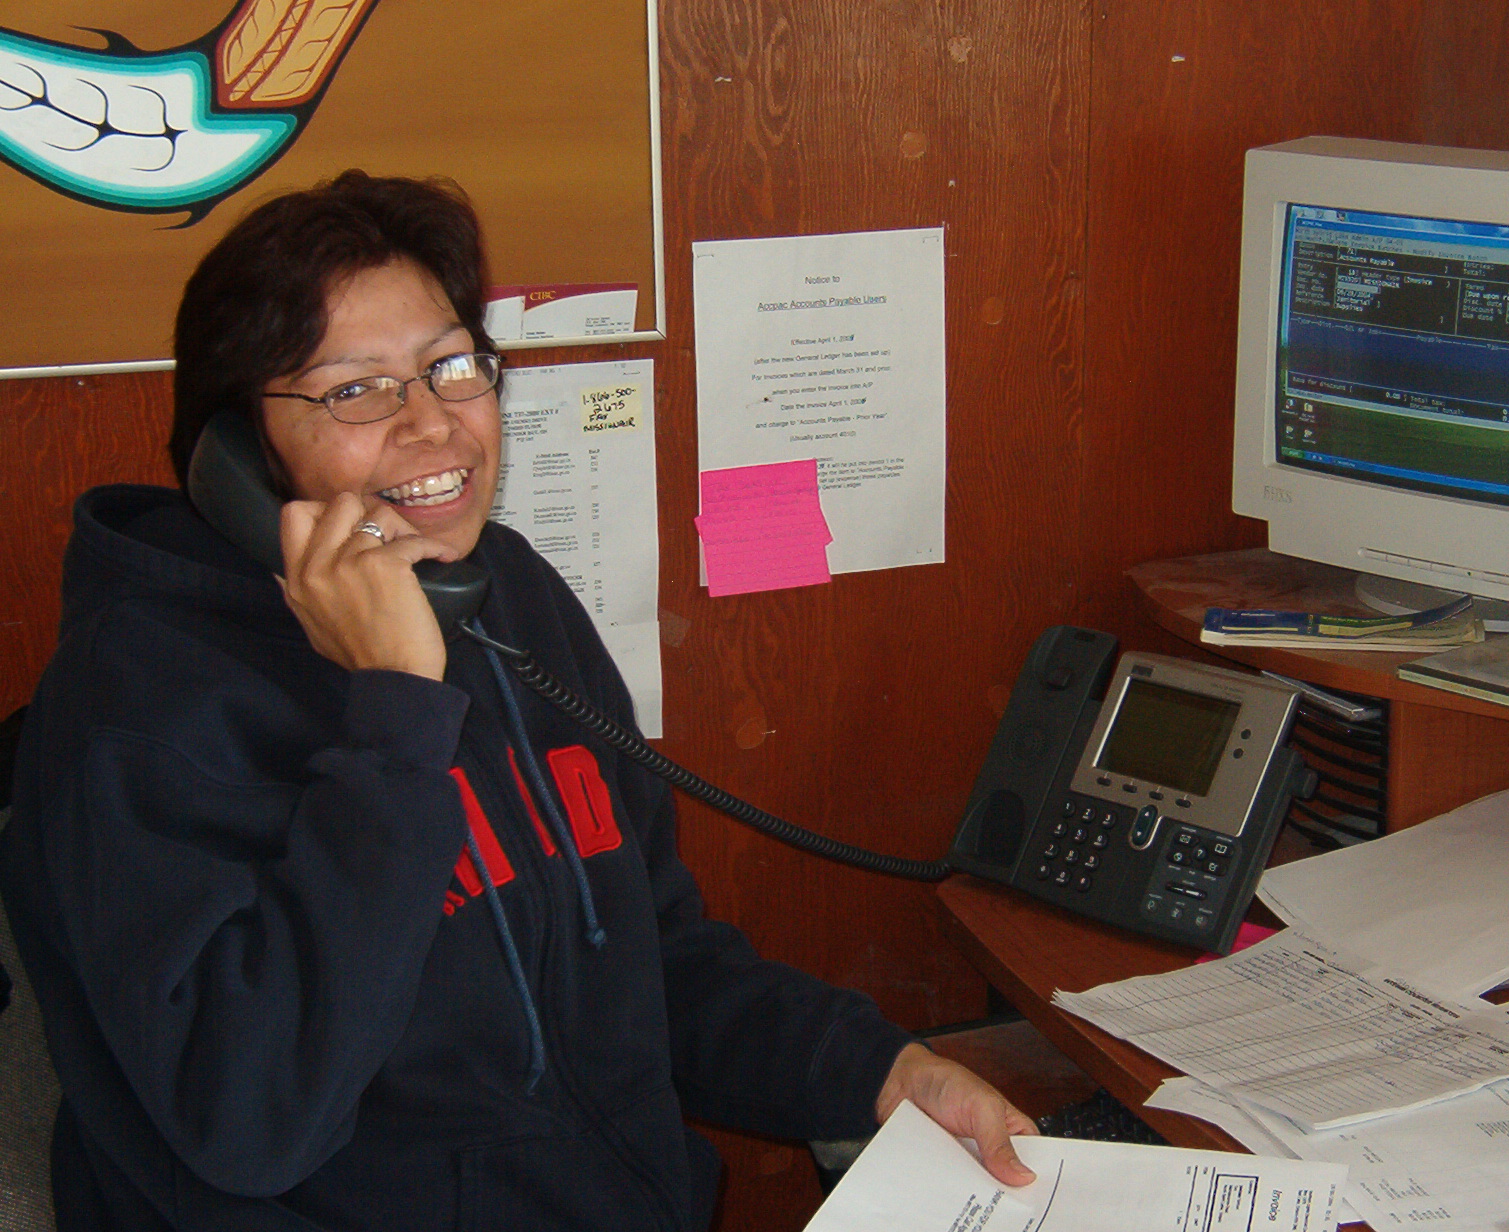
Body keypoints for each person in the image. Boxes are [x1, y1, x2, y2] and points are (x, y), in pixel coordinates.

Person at [0, 171, 1036, 1230]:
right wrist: (394, 719)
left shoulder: (507, 595)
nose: (432, 424)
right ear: (235, 454)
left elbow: (652, 964)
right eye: (355, 390)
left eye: (451, 366)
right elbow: (252, 1118)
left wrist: (880, 1071)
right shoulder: (137, 708)